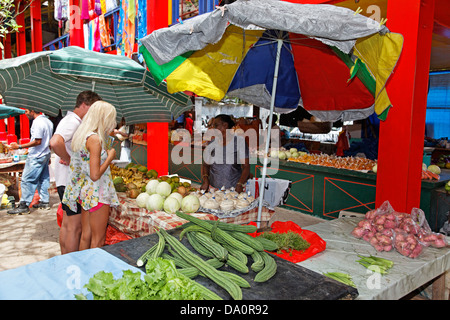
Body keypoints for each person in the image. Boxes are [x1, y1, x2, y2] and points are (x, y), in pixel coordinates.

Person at [49, 90, 102, 254]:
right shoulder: (72, 121)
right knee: (74, 227)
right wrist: (70, 159)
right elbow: (55, 142)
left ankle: (65, 258)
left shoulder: (72, 120)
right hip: (70, 180)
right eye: (93, 109)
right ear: (85, 105)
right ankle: (70, 262)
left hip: (66, 181)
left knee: (67, 224)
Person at [62, 101, 119, 249]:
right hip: (98, 193)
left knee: (85, 236)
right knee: (98, 240)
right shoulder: (95, 139)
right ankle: (93, 270)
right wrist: (109, 157)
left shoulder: (82, 135)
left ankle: (83, 268)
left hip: (85, 191)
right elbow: (95, 175)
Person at [7, 109, 54, 215]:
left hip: (36, 156)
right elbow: (49, 141)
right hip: (44, 154)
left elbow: (38, 141)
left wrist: (19, 146)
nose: (26, 114)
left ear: (33, 110)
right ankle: (44, 201)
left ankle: (24, 204)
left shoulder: (38, 122)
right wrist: (49, 154)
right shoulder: (48, 121)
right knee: (43, 178)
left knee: (27, 180)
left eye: (27, 111)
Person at [201, 114, 250, 193]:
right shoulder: (212, 143)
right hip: (213, 190)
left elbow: (246, 166)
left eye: (216, 125)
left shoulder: (239, 142)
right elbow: (205, 165)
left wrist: (240, 184)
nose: (214, 129)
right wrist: (206, 180)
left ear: (225, 125)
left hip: (233, 190)